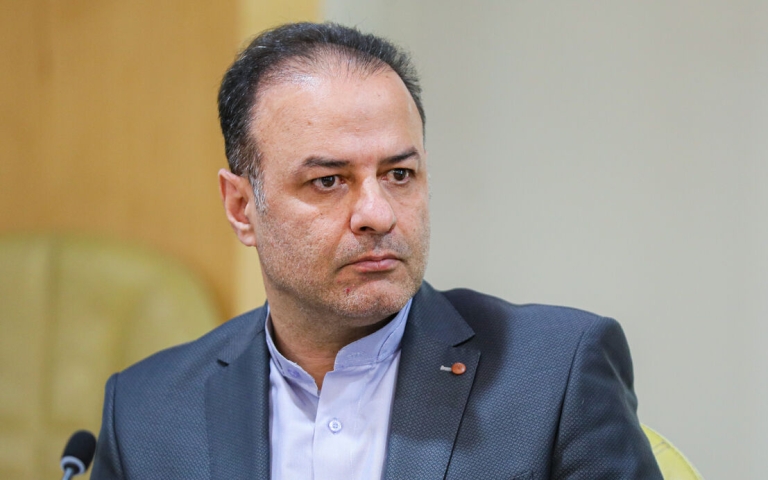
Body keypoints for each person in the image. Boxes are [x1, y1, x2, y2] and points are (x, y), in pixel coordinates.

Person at [91, 22, 662, 479]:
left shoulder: (555, 373)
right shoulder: (146, 413)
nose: (378, 214)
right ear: (242, 208)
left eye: (399, 174)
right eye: (328, 181)